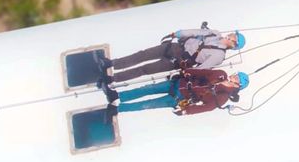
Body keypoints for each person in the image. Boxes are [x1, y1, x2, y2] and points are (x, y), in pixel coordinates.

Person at [98, 28, 246, 85]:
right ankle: (111, 63)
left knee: (144, 69)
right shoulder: (215, 33)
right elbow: (195, 32)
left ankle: (112, 79)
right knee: (142, 54)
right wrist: (177, 34)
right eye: (233, 33)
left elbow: (202, 69)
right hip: (175, 47)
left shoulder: (219, 56)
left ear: (234, 43)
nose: (231, 34)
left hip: (178, 61)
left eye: (234, 36)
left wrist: (184, 75)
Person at [103, 69, 250, 122]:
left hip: (179, 99)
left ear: (238, 86)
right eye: (236, 75)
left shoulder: (223, 96)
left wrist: (186, 111)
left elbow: (207, 108)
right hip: (178, 83)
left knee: (147, 104)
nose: (233, 76)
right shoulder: (220, 74)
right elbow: (202, 72)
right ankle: (117, 96)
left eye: (237, 79)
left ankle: (117, 109)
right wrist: (186, 72)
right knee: (147, 88)